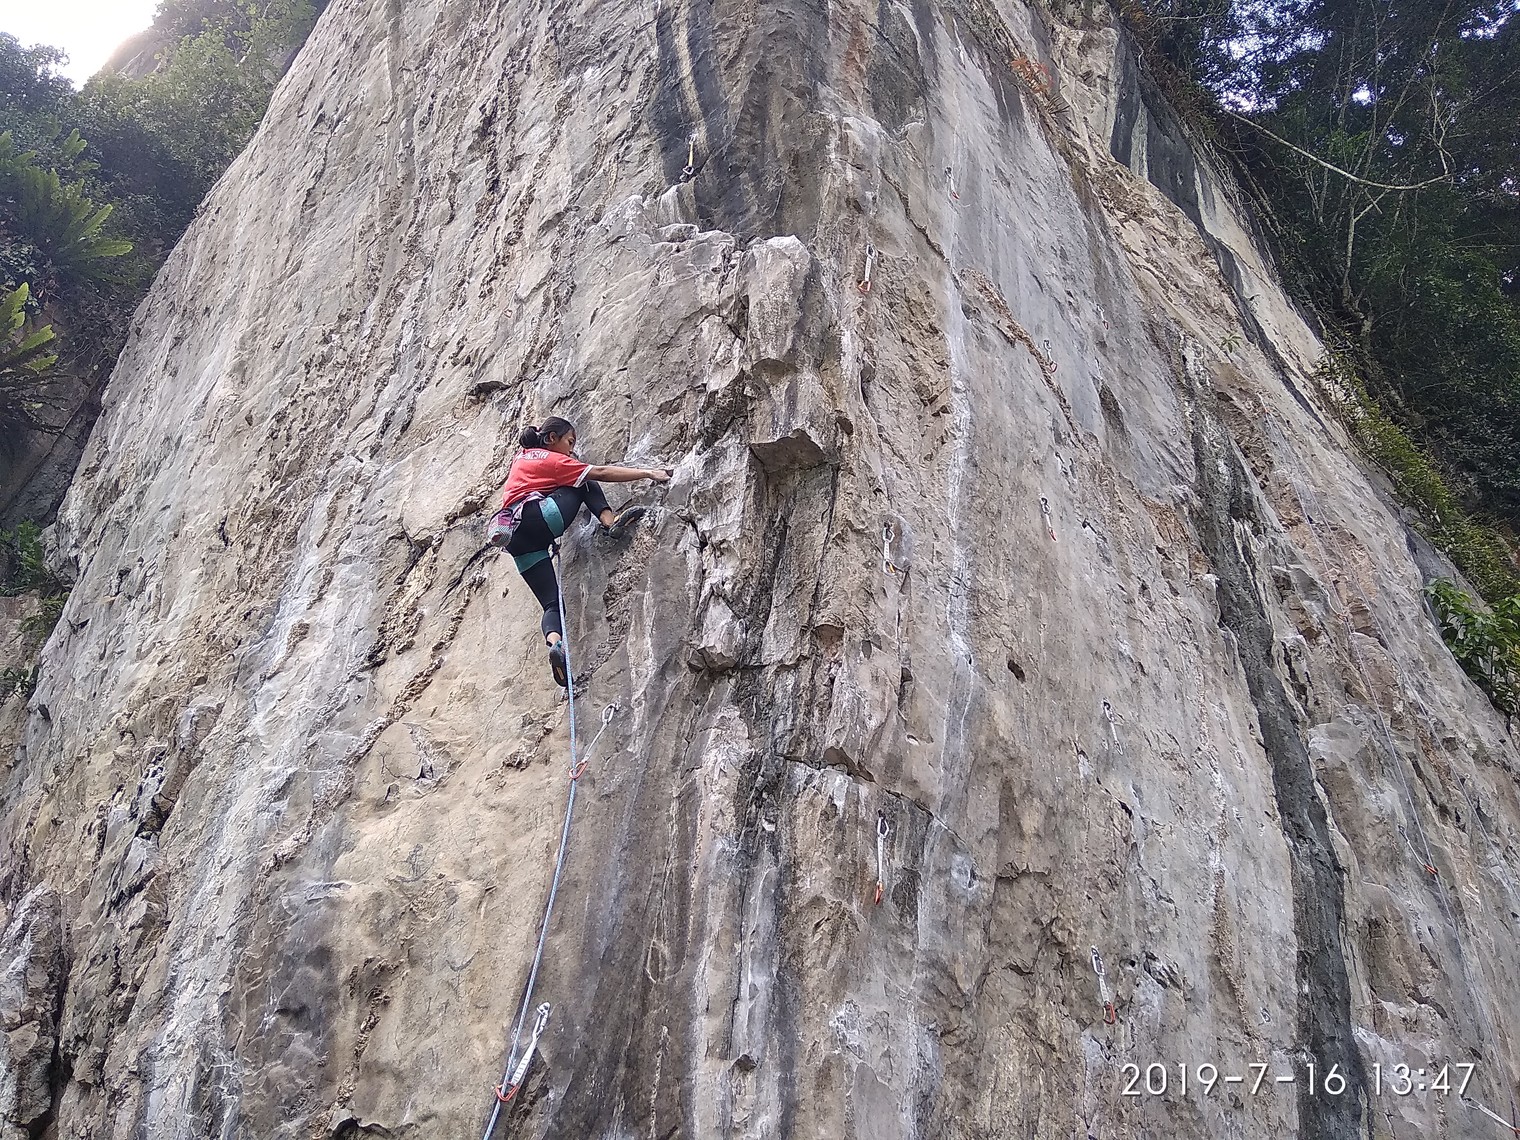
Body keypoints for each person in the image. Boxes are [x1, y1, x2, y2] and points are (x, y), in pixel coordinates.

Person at [497, 416, 669, 686]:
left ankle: (555, 644)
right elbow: (600, 472)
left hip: (515, 538)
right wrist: (648, 473)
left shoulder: (522, 457)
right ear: (551, 438)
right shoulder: (553, 460)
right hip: (540, 518)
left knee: (552, 605)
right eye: (569, 442)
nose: (571, 450)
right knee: (585, 478)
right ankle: (610, 522)